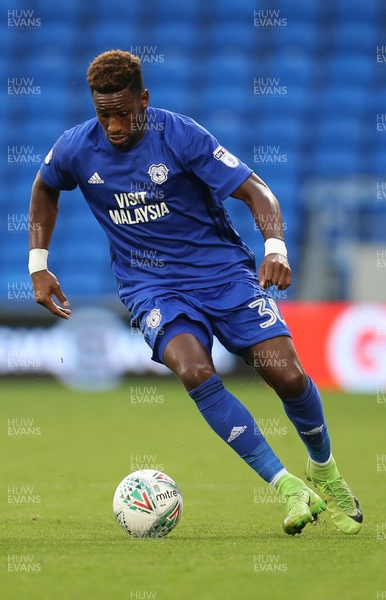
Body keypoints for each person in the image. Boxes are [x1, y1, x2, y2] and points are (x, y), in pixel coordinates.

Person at [28, 50, 362, 535]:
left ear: (144, 99)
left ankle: (324, 469)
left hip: (223, 274)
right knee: (194, 369)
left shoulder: (181, 136)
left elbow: (256, 190)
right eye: (105, 114)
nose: (115, 125)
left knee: (286, 376)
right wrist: (38, 264)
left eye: (124, 112)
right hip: (152, 286)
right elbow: (45, 187)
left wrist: (276, 249)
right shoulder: (77, 148)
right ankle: (287, 487)